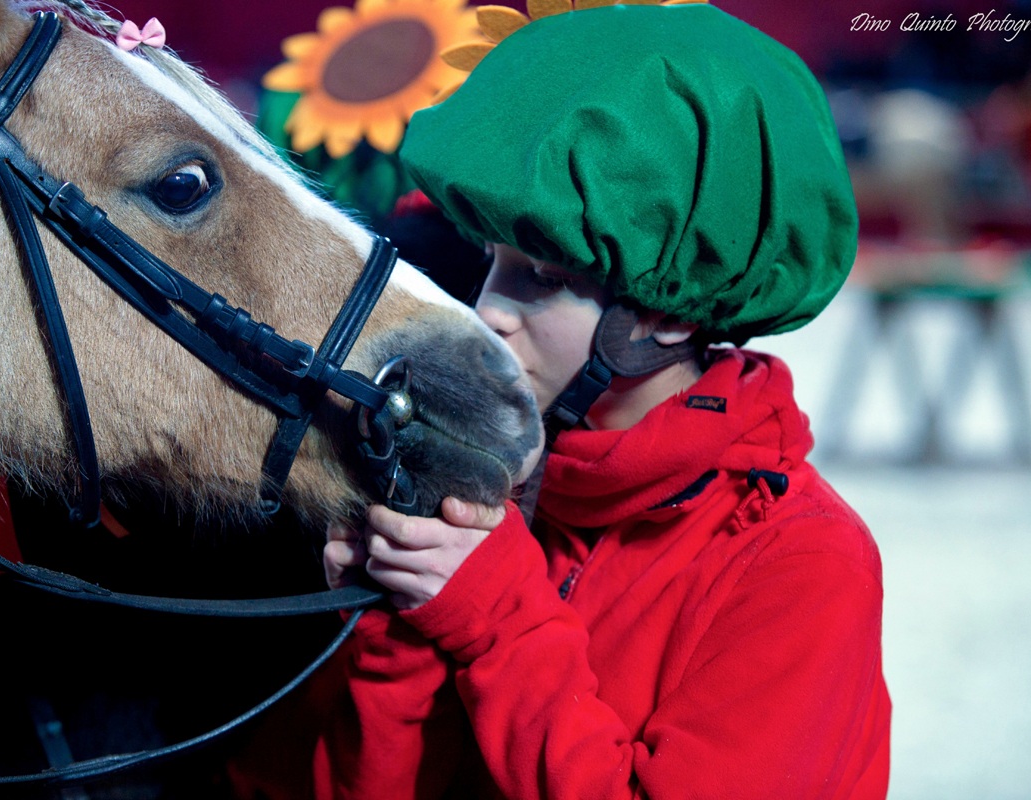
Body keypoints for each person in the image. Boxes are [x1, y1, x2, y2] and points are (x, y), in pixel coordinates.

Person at [228, 2, 890, 798]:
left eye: (542, 279)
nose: (487, 313)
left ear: (666, 312)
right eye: (492, 265)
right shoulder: (490, 491)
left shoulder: (801, 561)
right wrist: (393, 623)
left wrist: (495, 614)